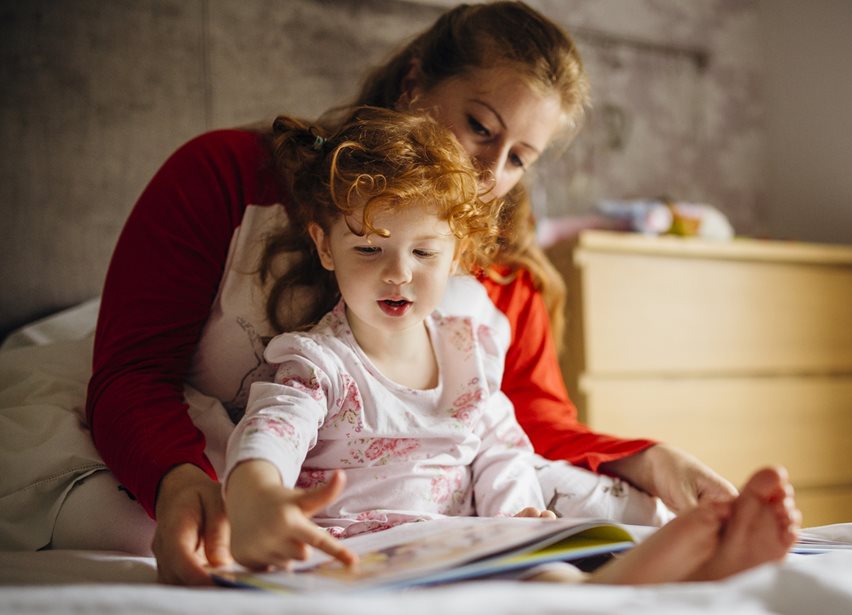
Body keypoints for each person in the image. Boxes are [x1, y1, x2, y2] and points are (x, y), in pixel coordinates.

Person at [79, 1, 736, 585]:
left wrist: (648, 461)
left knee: (582, 496)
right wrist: (178, 480)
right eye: (481, 127)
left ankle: (635, 570)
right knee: (126, 519)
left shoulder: (496, 277)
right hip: (240, 463)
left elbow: (522, 420)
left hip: (429, 483)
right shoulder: (224, 177)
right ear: (415, 83)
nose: (489, 173)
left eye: (518, 157)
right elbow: (134, 371)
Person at [222, 109, 801, 584]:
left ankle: (683, 576)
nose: (397, 275)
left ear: (456, 255)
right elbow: (273, 431)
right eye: (369, 251)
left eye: (423, 253)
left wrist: (518, 518)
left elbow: (500, 450)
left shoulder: (465, 349)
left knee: (546, 571)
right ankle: (647, 583)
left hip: (469, 544)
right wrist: (257, 497)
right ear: (325, 247)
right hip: (365, 553)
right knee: (549, 587)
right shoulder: (317, 362)